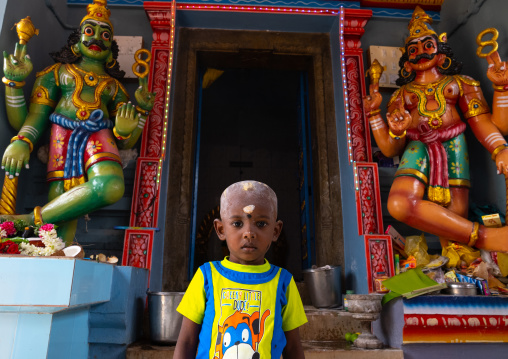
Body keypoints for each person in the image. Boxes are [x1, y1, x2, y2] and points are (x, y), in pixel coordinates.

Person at [1, 0, 154, 243]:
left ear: (111, 45)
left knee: (111, 185)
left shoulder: (115, 88)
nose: (98, 39)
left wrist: (129, 126)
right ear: (77, 38)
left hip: (99, 135)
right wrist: (14, 86)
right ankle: (57, 251)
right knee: (63, 201)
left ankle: (30, 221)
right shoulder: (56, 74)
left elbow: (126, 142)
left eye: (105, 35)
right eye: (90, 31)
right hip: (62, 135)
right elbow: (32, 118)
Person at [363, 6, 508, 253]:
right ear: (406, 60)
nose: (420, 53)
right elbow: (389, 149)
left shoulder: (462, 83)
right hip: (418, 147)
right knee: (399, 204)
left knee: (454, 222)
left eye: (427, 46)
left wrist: (500, 146)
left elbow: (486, 122)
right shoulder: (402, 96)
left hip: (453, 145)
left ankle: (459, 267)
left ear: (441, 50)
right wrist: (375, 115)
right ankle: (486, 238)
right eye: (413, 49)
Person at [174, 180, 307, 359]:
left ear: (275, 231)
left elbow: (292, 347)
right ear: (220, 229)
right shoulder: (206, 277)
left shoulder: (283, 282)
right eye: (237, 224)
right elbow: (187, 342)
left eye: (261, 224)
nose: (248, 233)